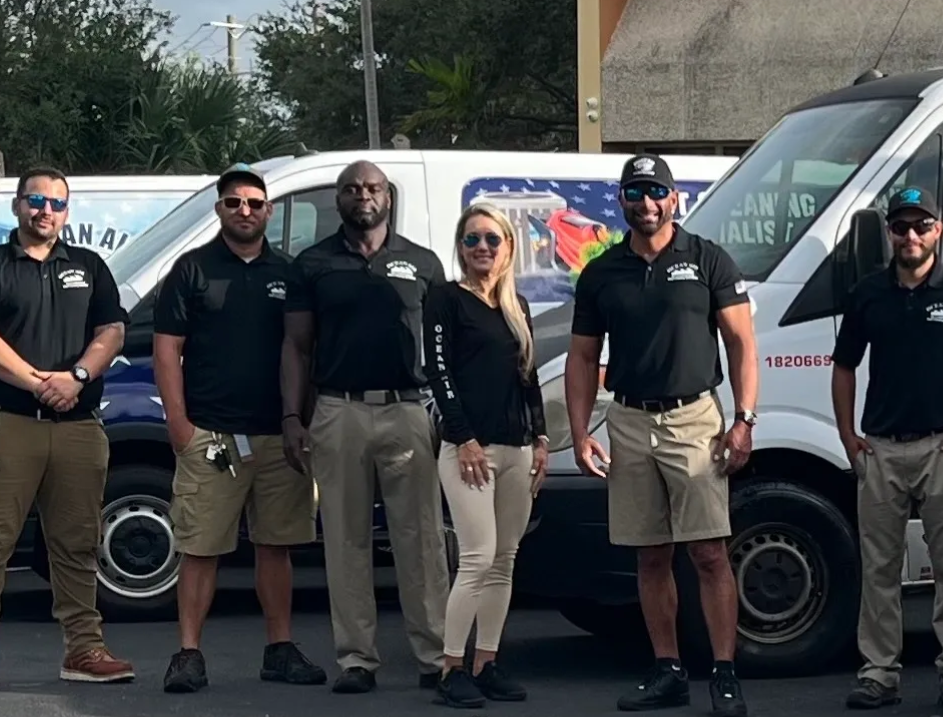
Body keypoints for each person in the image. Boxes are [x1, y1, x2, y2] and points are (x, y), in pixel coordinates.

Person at [565, 153, 757, 716]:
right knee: (650, 556)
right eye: (634, 193)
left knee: (709, 553)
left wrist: (744, 420)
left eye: (655, 193)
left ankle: (724, 673)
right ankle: (667, 670)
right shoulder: (602, 272)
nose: (645, 204)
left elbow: (743, 343)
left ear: (675, 199)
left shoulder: (706, 259)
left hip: (694, 418)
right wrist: (580, 433)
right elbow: (582, 358)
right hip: (627, 420)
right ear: (621, 201)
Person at [0, 168, 135, 691]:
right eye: (35, 200)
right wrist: (38, 383)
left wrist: (76, 377)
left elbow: (112, 331)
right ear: (17, 206)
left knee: (76, 545)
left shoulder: (90, 266)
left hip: (77, 425)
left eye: (56, 203)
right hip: (6, 424)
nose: (45, 211)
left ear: (67, 212)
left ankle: (84, 649)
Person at [831, 186, 943, 713]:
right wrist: (848, 438)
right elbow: (844, 366)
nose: (910, 236)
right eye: (901, 227)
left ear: (939, 229)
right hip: (880, 451)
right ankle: (879, 674)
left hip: (941, 449)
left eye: (921, 226)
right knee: (878, 570)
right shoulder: (867, 294)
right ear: (889, 234)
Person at [153, 163, 326, 694]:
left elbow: (306, 349)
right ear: (220, 210)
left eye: (254, 203)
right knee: (200, 548)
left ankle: (279, 648)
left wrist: (302, 422)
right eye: (234, 203)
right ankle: (188, 653)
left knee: (277, 546)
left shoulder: (290, 273)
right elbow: (167, 349)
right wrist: (181, 425)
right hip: (211, 435)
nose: (244, 210)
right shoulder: (192, 270)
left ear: (269, 211)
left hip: (279, 435)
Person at [281, 160, 450, 694]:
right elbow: (297, 347)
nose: (364, 197)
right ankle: (357, 659)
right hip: (339, 410)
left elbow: (445, 348)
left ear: (388, 198)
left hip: (406, 409)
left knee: (420, 538)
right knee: (346, 539)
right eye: (353, 189)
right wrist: (292, 416)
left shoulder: (422, 263)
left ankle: (435, 654)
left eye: (373, 188)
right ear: (339, 199)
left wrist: (448, 415)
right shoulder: (313, 263)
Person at [423, 203, 551, 708]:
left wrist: (541, 439)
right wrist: (465, 438)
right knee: (476, 558)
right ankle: (450, 667)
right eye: (472, 239)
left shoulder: (516, 305)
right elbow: (440, 373)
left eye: (492, 240)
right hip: (467, 450)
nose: (482, 248)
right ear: (460, 247)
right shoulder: (445, 300)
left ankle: (487, 662)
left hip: (517, 448)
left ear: (508, 247)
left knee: (505, 559)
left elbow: (529, 378)